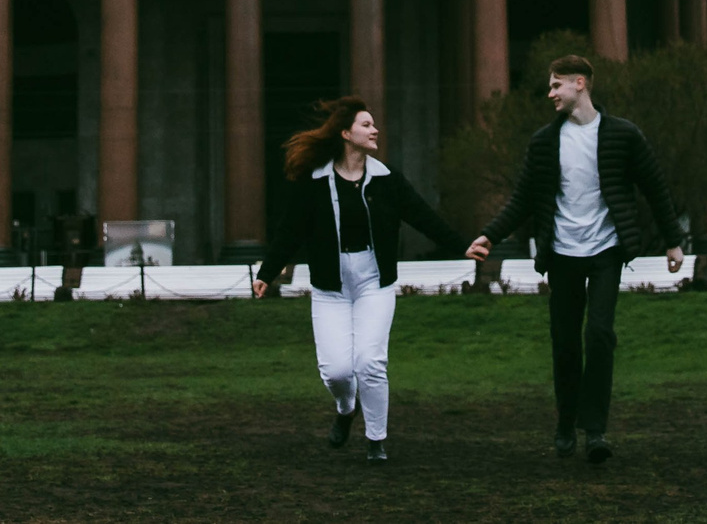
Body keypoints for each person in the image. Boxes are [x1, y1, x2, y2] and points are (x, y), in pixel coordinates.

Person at [467, 54, 684, 465]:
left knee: (599, 334)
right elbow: (523, 198)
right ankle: (566, 422)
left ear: (579, 83)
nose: (550, 93)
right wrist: (489, 235)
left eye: (556, 85)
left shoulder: (623, 135)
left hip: (606, 250)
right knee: (565, 342)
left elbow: (655, 187)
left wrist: (673, 241)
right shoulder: (544, 142)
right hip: (562, 253)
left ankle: (595, 430)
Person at [254, 97, 462, 463]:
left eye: (373, 124)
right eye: (366, 125)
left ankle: (376, 441)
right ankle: (346, 408)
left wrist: (464, 246)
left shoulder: (387, 179)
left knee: (370, 363)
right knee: (336, 372)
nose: (375, 130)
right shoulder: (314, 180)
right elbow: (290, 231)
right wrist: (267, 273)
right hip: (329, 288)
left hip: (374, 283)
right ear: (346, 134)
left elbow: (422, 216)